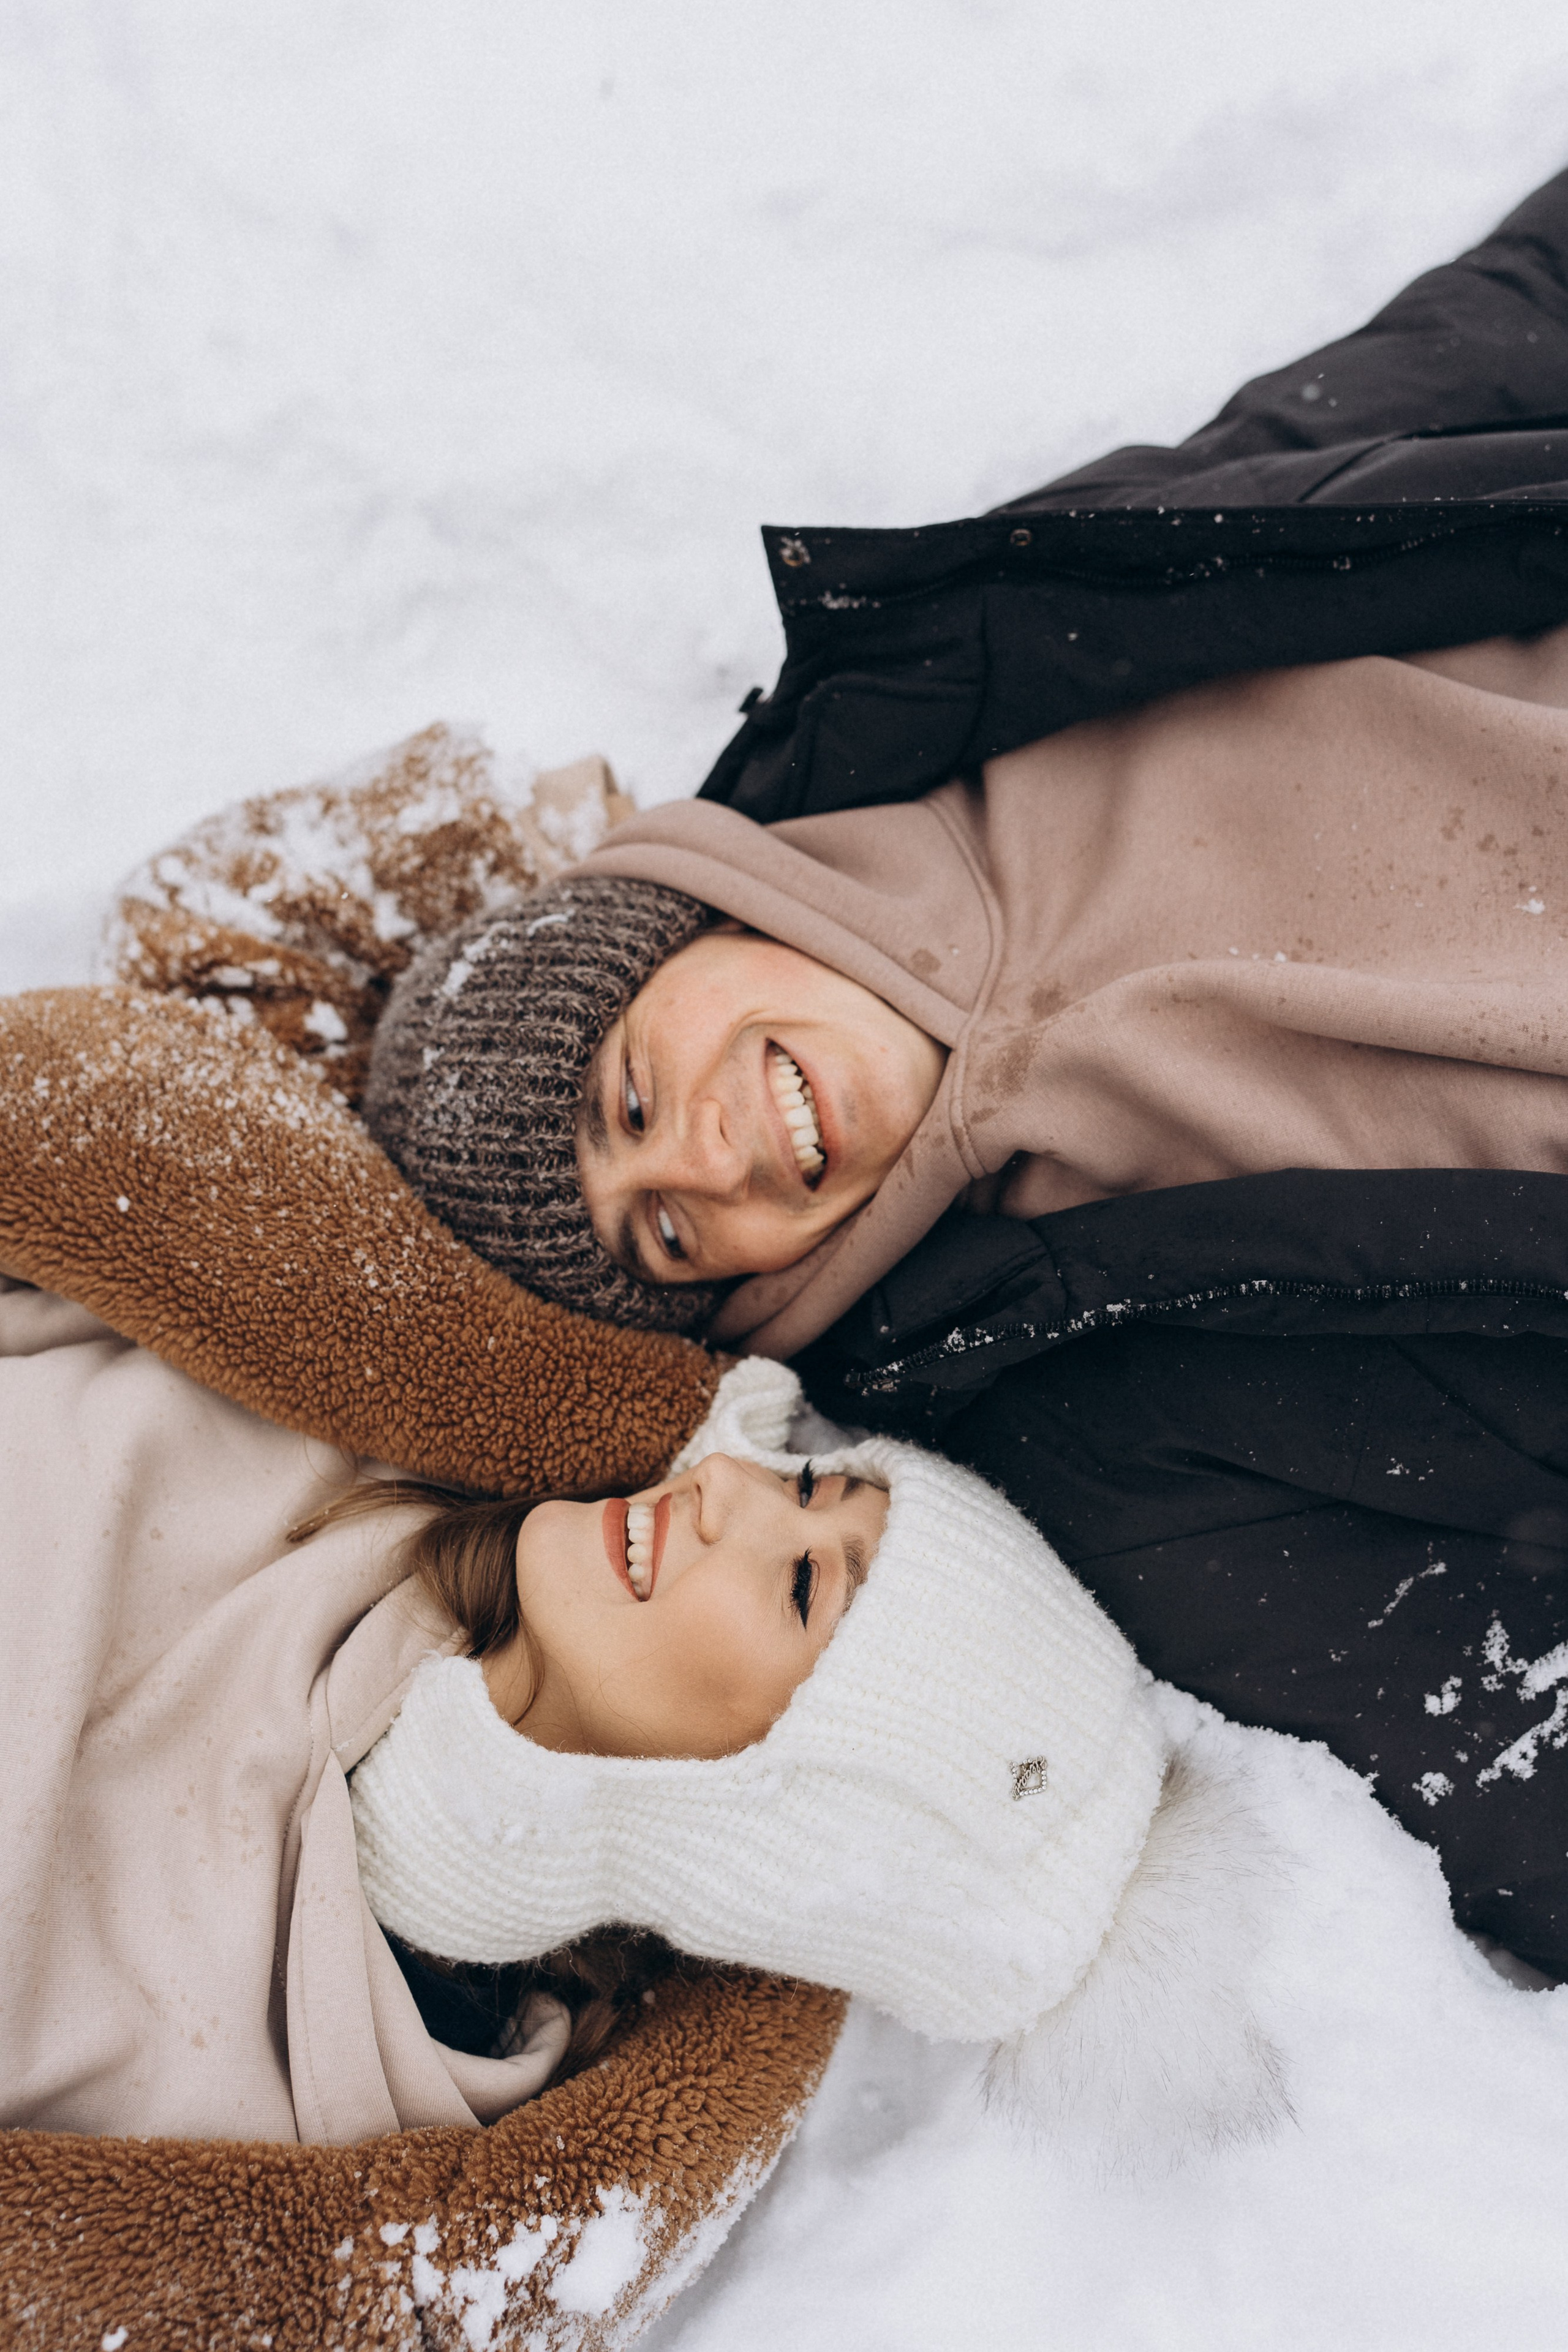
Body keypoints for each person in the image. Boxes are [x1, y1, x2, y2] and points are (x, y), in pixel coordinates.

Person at [360, 165, 1568, 1978]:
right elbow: (1510, 1753)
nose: (700, 1172)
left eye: (622, 1101)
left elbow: (1458, 359)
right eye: (667, 1243)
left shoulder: (1003, 642)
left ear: (677, 920)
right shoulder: (1082, 1415)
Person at [3, 1280, 1272, 2157]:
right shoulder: (351, 1394)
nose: (727, 1488)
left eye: (797, 1586)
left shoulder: (272, 2097)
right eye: (811, 1482)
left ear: (758, 1814)